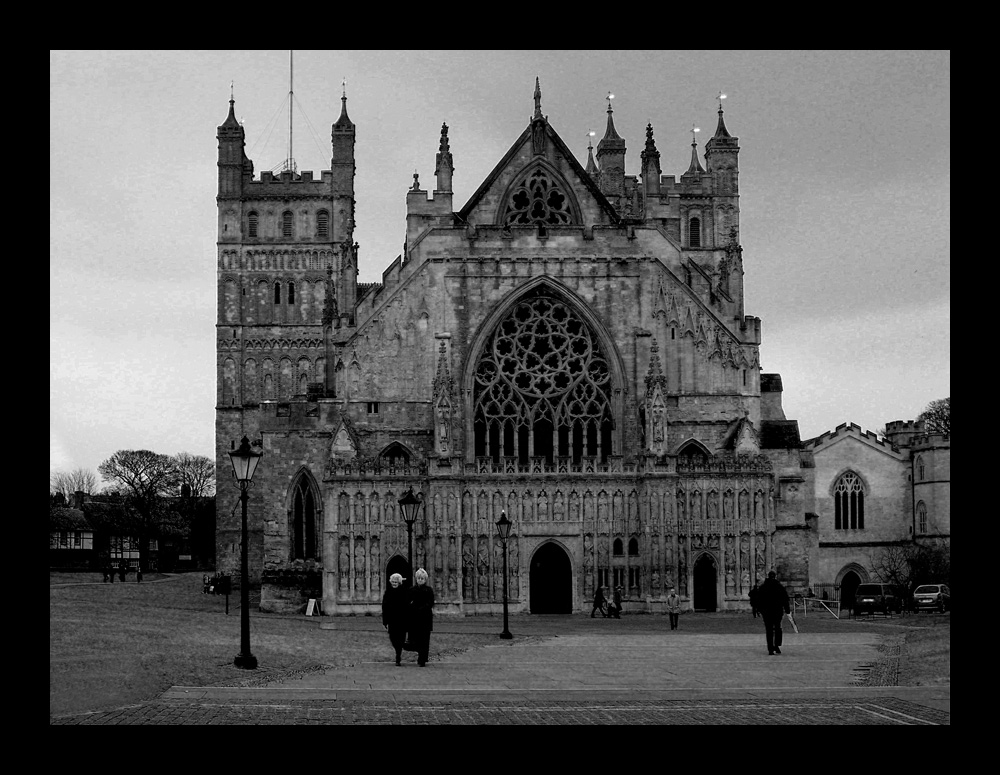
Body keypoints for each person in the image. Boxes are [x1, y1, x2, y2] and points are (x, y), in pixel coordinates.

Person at [758, 570, 790, 655]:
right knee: (777, 628)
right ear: (775, 576)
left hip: (767, 611)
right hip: (777, 611)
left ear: (768, 576)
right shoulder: (779, 586)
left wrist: (759, 609)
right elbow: (785, 599)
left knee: (769, 630)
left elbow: (758, 600)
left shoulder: (763, 587)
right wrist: (787, 610)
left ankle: (770, 648)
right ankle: (776, 645)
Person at [407, 568, 435, 667]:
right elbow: (407, 602)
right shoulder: (412, 590)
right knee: (417, 638)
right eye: (418, 578)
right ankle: (420, 655)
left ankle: (423, 658)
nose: (420, 580)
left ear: (425, 579)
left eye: (422, 578)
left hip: (425, 617)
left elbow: (430, 603)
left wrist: (421, 608)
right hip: (415, 618)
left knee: (425, 639)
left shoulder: (429, 590)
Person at [381, 573, 409, 666]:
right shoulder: (388, 592)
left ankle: (398, 655)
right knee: (392, 638)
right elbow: (384, 607)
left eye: (396, 582)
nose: (394, 583)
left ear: (399, 583)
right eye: (392, 582)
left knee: (400, 638)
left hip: (401, 619)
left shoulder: (404, 592)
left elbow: (407, 606)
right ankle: (398, 649)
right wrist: (385, 621)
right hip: (392, 619)